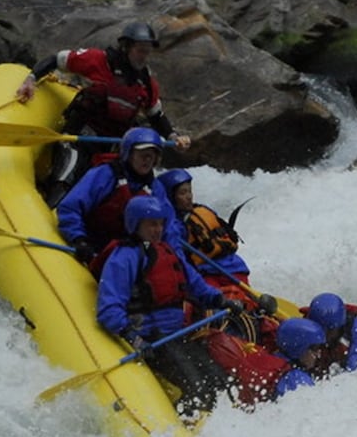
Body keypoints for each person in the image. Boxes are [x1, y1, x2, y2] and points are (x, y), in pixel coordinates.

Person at [96, 195, 232, 417]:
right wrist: (133, 338)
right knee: (196, 386)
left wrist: (220, 300)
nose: (157, 230)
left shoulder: (166, 251)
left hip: (178, 334)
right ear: (136, 224)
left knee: (219, 380)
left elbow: (196, 285)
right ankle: (189, 423)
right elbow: (109, 308)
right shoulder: (124, 258)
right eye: (151, 224)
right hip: (152, 339)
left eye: (160, 224)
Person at [14, 20, 191, 161]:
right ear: (126, 47)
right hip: (79, 136)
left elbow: (156, 116)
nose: (144, 57)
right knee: (67, 176)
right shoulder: (98, 60)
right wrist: (31, 80)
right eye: (140, 51)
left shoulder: (146, 82)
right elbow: (56, 60)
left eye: (147, 52)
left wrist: (173, 137)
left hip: (110, 143)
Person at [157, 167, 275, 344]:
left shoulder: (199, 213)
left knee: (236, 306)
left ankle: (253, 332)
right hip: (210, 275)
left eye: (189, 191)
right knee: (223, 306)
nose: (189, 196)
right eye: (182, 193)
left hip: (229, 271)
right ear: (170, 196)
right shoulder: (174, 226)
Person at [56, 127, 177, 270]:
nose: (147, 160)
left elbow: (169, 228)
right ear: (129, 154)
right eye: (142, 154)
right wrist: (79, 239)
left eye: (151, 156)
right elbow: (70, 208)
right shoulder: (105, 174)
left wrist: (171, 257)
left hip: (127, 253)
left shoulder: (156, 189)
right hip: (92, 241)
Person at [216, 318, 327, 407]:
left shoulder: (264, 358)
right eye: (314, 348)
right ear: (299, 348)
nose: (318, 354)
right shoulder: (296, 380)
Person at [301, 291, 357, 375]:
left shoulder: (354, 329)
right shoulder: (304, 329)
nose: (324, 336)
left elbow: (356, 368)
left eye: (329, 331)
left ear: (340, 326)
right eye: (320, 330)